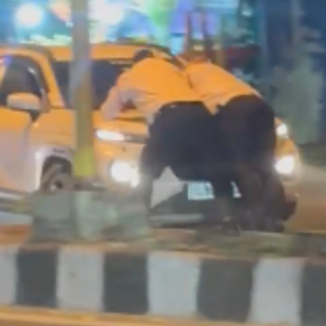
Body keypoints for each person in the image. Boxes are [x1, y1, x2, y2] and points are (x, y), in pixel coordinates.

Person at [101, 50, 236, 219]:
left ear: (135, 62)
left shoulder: (130, 75)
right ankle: (228, 217)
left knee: (148, 167)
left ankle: (139, 217)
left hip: (170, 118)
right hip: (200, 114)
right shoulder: (171, 69)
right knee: (214, 166)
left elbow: (109, 111)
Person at [184, 54, 283, 231]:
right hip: (261, 107)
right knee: (265, 166)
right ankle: (273, 217)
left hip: (235, 110)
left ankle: (254, 218)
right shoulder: (220, 73)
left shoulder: (187, 74)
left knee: (241, 165)